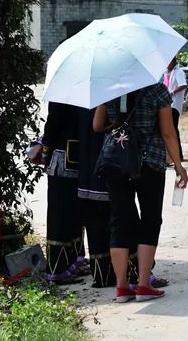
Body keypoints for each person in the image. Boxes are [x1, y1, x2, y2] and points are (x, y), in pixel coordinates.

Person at [93, 83, 187, 302]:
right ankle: (143, 284)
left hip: (117, 162)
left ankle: (122, 287)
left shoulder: (110, 87)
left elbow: (97, 125)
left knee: (119, 219)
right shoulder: (157, 89)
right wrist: (179, 166)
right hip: (150, 162)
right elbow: (167, 132)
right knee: (150, 219)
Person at [42, 102, 85, 284]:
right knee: (69, 213)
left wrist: (44, 149)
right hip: (76, 156)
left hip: (62, 156)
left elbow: (53, 123)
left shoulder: (63, 93)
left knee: (63, 214)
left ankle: (60, 266)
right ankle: (64, 264)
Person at [76, 106, 115, 288]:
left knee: (94, 222)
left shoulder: (80, 97)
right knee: (114, 220)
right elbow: (100, 126)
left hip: (85, 169)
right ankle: (120, 271)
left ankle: (101, 275)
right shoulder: (114, 94)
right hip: (109, 165)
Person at [163, 58, 187, 161]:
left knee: (173, 130)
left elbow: (183, 85)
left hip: (174, 104)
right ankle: (171, 155)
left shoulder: (178, 71)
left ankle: (178, 155)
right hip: (167, 104)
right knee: (169, 129)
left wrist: (172, 92)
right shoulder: (166, 72)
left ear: (174, 61)